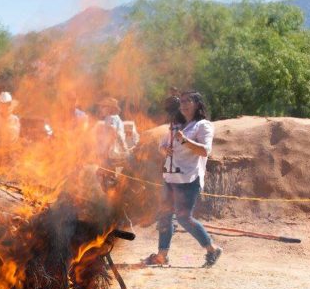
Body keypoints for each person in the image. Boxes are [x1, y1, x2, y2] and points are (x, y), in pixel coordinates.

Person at [144, 91, 223, 268]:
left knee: (183, 218)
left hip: (189, 178)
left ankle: (212, 249)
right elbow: (162, 145)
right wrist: (165, 150)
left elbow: (205, 151)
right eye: (183, 102)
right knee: (165, 216)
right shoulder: (175, 125)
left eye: (189, 101)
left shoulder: (203, 125)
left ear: (197, 104)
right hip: (170, 177)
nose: (184, 104)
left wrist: (185, 140)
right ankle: (162, 255)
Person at [94, 97, 128, 166]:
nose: (101, 109)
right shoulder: (115, 117)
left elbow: (114, 132)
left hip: (110, 154)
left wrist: (106, 151)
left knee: (105, 172)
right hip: (114, 153)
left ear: (110, 108)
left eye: (103, 106)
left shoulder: (111, 118)